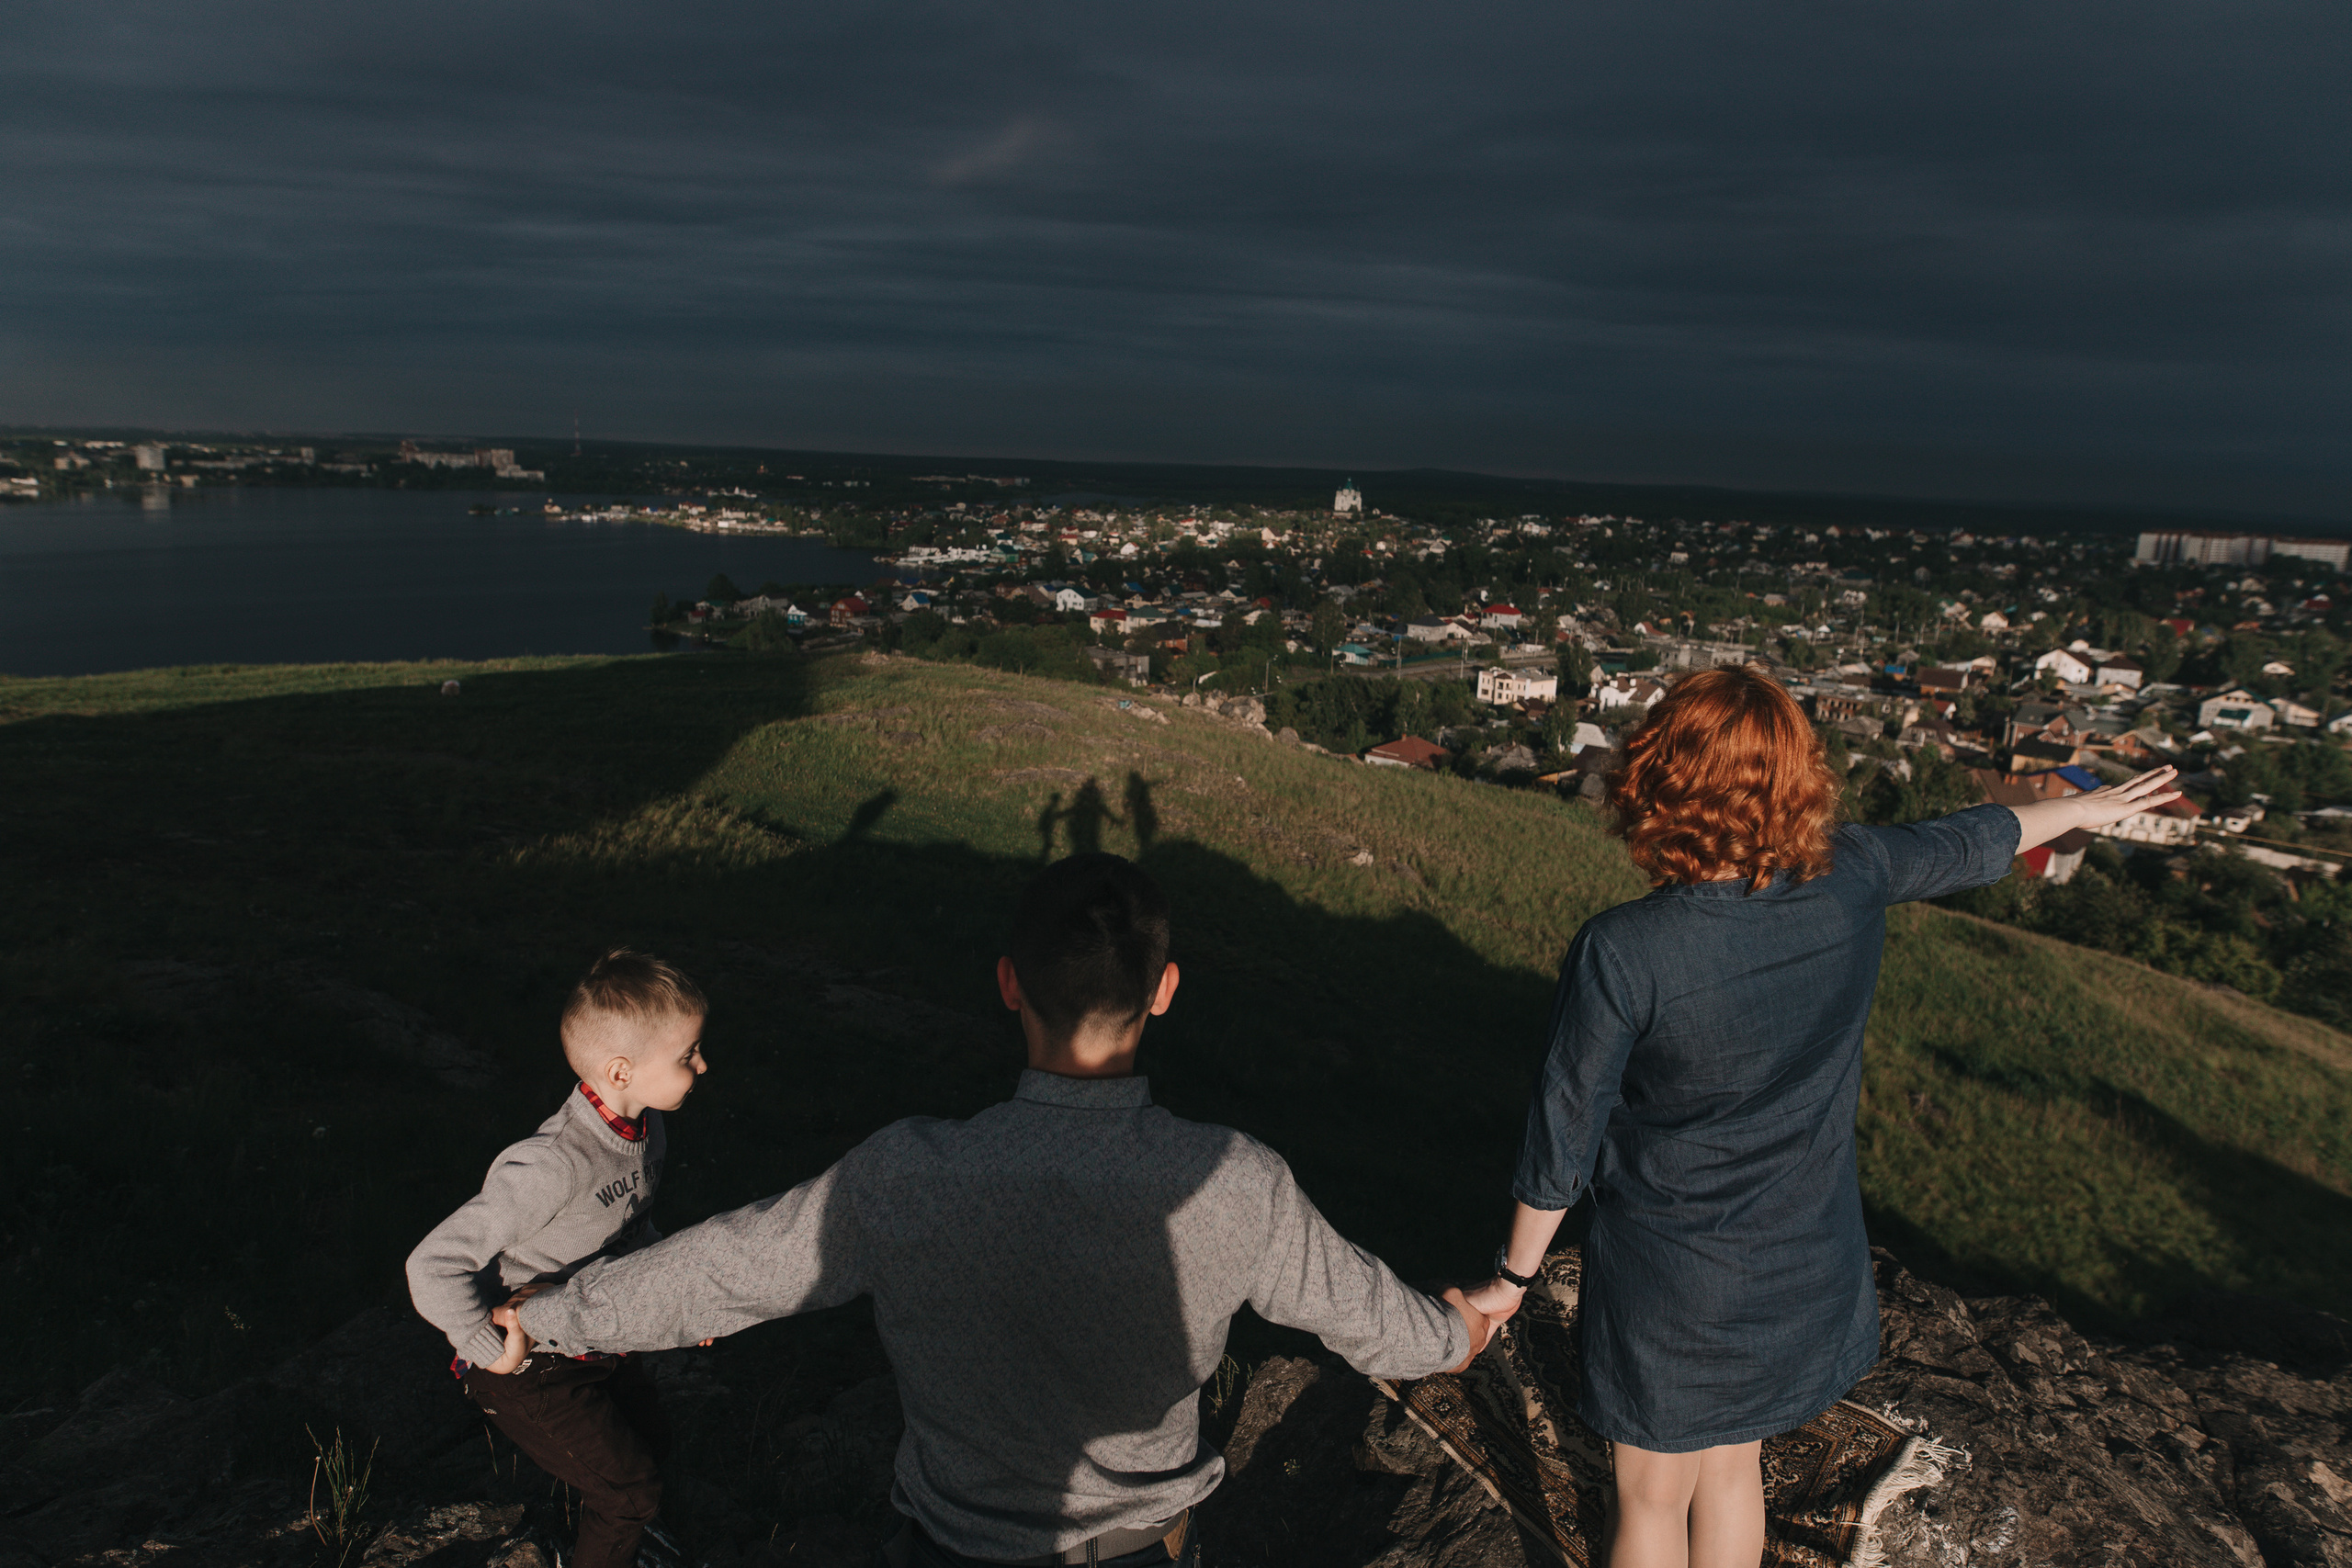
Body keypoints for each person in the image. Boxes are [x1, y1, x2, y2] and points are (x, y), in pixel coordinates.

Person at [499, 852, 1497, 1568]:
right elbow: (1374, 1321)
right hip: (1142, 1549)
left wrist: (548, 1315)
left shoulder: (905, 1173)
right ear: (1163, 990)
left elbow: (721, 1271)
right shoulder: (1239, 1181)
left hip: (952, 1545)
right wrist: (1456, 1331)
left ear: (1009, 984)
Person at [1463, 666, 2180, 1568]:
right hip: (1805, 1263)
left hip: (1676, 1284)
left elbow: (1561, 1136)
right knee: (1733, 1471)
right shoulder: (1853, 875)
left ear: (1657, 779)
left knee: (1650, 1498)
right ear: (1798, 778)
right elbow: (1971, 837)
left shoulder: (1625, 949)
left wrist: (1511, 1281)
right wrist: (2089, 807)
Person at [406, 950, 711, 1568]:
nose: (703, 1064)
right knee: (629, 1491)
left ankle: (628, 1541)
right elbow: (431, 1263)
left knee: (651, 1443)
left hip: (591, 1329)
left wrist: (680, 1299)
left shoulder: (647, 1128)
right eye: (689, 1054)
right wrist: (488, 1348)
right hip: (530, 1366)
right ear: (621, 1071)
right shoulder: (552, 1166)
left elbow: (633, 1227)